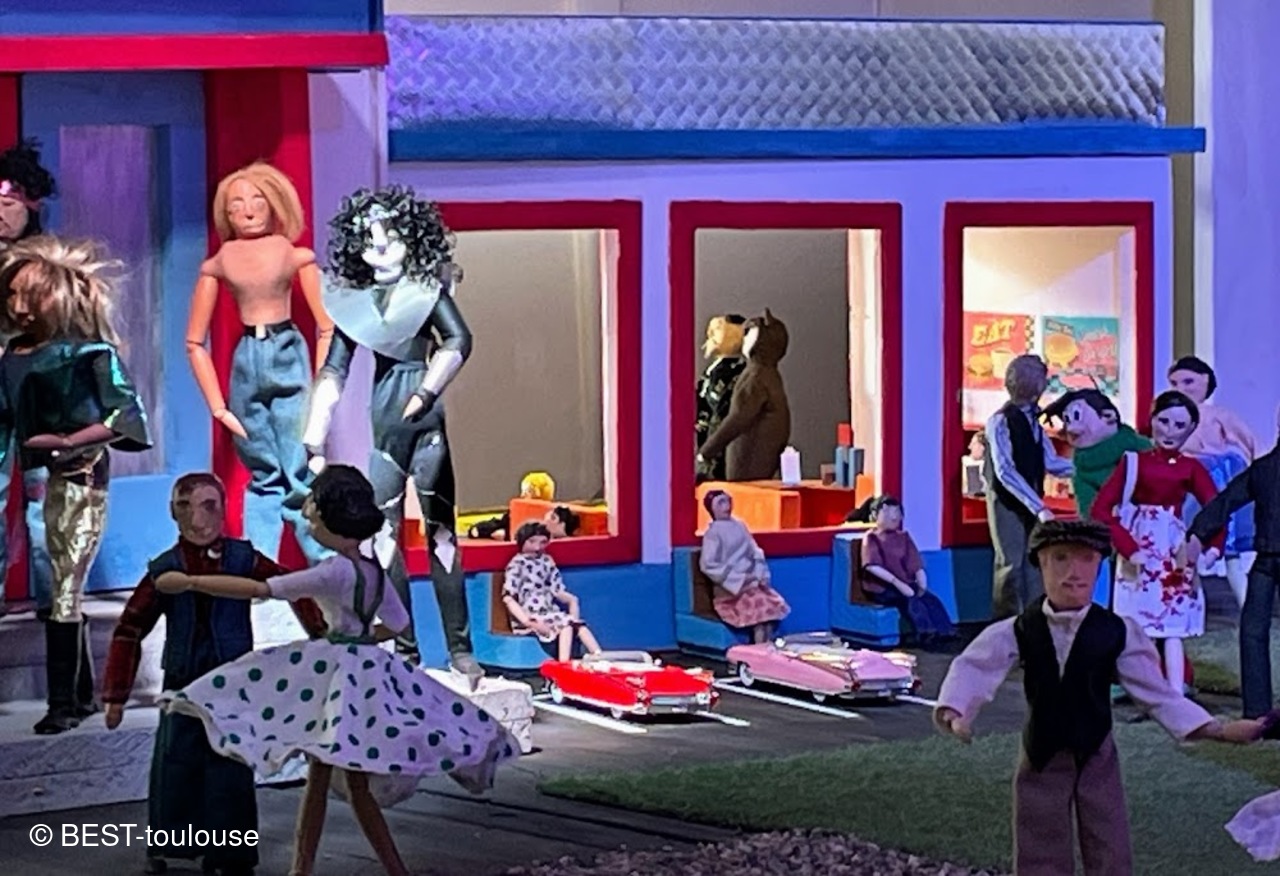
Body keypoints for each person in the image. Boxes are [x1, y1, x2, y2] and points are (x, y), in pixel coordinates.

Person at [155, 465, 517, 876]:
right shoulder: (372, 571)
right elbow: (397, 624)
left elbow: (264, 589)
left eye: (314, 518)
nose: (309, 523)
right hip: (363, 670)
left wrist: (192, 582)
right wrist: (362, 639)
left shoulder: (335, 571)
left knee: (346, 782)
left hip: (339, 676)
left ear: (334, 520)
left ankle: (379, 868)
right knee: (322, 775)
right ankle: (305, 867)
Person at [934, 518, 1262, 875]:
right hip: (1041, 748)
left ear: (1100, 565)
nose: (1073, 572)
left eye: (1086, 559)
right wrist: (956, 709)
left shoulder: (1117, 632)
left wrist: (1216, 729)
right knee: (1038, 834)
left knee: (1108, 833)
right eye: (1060, 558)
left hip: (1096, 748)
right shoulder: (1021, 629)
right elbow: (976, 665)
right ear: (1041, 563)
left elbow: (1157, 694)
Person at [101, 472, 326, 876]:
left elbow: (291, 586)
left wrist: (322, 634)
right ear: (173, 512)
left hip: (234, 682)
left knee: (231, 766)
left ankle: (232, 854)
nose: (198, 519)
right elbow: (130, 627)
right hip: (183, 683)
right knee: (177, 763)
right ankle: (172, 846)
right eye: (185, 507)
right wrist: (116, 695)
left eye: (208, 506)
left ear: (223, 510)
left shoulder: (243, 560)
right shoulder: (166, 569)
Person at [302, 186, 479, 684]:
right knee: (383, 538)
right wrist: (315, 432)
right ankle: (405, 647)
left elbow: (459, 340)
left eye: (391, 236)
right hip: (386, 435)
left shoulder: (426, 293)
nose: (380, 247)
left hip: (426, 431)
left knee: (442, 535)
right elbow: (333, 371)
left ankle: (460, 648)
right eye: (369, 239)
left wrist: (426, 390)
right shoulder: (355, 306)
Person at [0, 235, 152, 734]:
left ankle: (64, 702)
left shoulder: (90, 354)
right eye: (12, 294)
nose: (19, 306)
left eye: (31, 295)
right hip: (34, 479)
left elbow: (125, 415)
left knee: (65, 584)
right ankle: (80, 696)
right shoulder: (14, 355)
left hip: (78, 478)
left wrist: (70, 441)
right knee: (56, 579)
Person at [185, 162, 332, 564]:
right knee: (264, 475)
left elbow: (327, 327)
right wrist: (219, 407)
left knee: (299, 470)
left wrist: (323, 387)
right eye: (236, 204)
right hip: (247, 360)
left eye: (257, 200)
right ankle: (260, 572)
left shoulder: (291, 254)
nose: (248, 210)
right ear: (225, 213)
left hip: (287, 353)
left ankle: (325, 568)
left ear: (274, 204)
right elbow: (195, 341)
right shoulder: (221, 261)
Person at [1092, 390, 1223, 692]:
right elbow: (1101, 509)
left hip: (1174, 549)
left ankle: (1175, 694)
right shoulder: (1134, 462)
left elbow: (1217, 509)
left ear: (1191, 428)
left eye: (1180, 425)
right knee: (1138, 628)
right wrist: (1128, 546)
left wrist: (1212, 547)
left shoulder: (1190, 467)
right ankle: (1146, 691)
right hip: (1139, 545)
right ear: (1152, 420)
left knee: (1173, 628)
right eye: (1164, 421)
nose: (1170, 431)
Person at [1188, 404, 1280, 718]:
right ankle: (1256, 711)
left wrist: (1198, 532)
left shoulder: (1264, 467)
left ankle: (1257, 711)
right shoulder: (1264, 468)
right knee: (1252, 631)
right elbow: (1226, 502)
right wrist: (1198, 533)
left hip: (1266, 558)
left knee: (1253, 631)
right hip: (1265, 560)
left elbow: (1225, 501)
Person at [0, 139, 56, 619]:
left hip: (39, 389)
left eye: (10, 203)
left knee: (45, 496)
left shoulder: (47, 262)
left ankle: (53, 599)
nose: (0, 214)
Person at [982, 354, 1073, 618]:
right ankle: (1006, 623)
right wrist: (1038, 506)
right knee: (1009, 563)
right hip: (1006, 502)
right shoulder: (1000, 421)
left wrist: (1089, 466)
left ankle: (1035, 618)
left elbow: (1051, 462)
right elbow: (1005, 470)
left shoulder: (1035, 421)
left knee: (1035, 561)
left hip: (1032, 501)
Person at [1169, 355, 1260, 607]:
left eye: (1188, 382)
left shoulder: (1217, 415)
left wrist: (1261, 473)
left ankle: (1246, 606)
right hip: (1187, 483)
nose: (1181, 388)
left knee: (1230, 550)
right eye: (1175, 383)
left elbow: (1249, 441)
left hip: (1219, 482)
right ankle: (1188, 604)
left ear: (1205, 381)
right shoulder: (1175, 415)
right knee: (1186, 544)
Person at [859, 496, 955, 645]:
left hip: (906, 582)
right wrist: (897, 583)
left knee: (930, 599)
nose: (893, 516)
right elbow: (872, 566)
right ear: (875, 515)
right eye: (887, 512)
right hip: (882, 588)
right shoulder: (872, 537)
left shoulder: (903, 537)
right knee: (911, 600)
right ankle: (926, 634)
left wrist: (921, 582)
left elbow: (914, 562)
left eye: (897, 512)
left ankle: (946, 632)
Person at [699, 489, 790, 643]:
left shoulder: (740, 525)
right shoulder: (713, 534)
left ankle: (766, 647)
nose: (727, 506)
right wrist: (737, 579)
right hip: (731, 592)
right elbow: (709, 564)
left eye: (728, 501)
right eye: (721, 503)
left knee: (769, 616)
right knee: (759, 618)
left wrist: (759, 573)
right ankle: (759, 649)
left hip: (751, 584)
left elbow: (755, 551)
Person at [502, 521, 601, 662]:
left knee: (577, 626)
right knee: (566, 625)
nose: (537, 547)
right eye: (532, 541)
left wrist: (573, 601)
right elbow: (508, 597)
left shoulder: (547, 561)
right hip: (531, 615)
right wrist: (527, 621)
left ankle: (600, 657)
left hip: (550, 613)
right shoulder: (517, 564)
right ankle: (563, 664)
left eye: (543, 542)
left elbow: (557, 589)